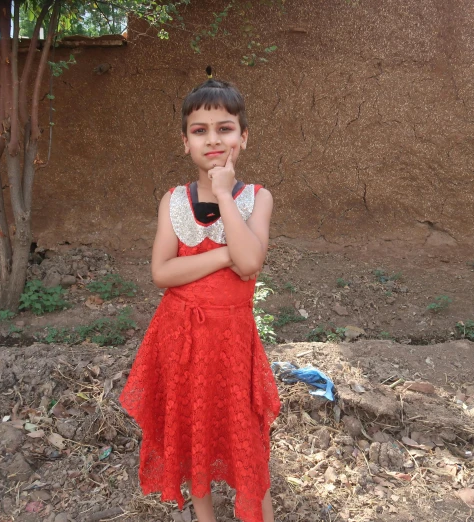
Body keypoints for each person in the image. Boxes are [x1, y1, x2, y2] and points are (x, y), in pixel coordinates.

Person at [119, 72, 281, 522]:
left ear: (243, 139)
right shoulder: (173, 201)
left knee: (247, 447)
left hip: (233, 347)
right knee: (192, 438)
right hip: (180, 345)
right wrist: (226, 252)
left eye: (225, 128)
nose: (213, 139)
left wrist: (225, 194)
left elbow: (250, 266)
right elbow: (162, 273)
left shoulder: (256, 198)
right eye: (200, 130)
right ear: (184, 142)